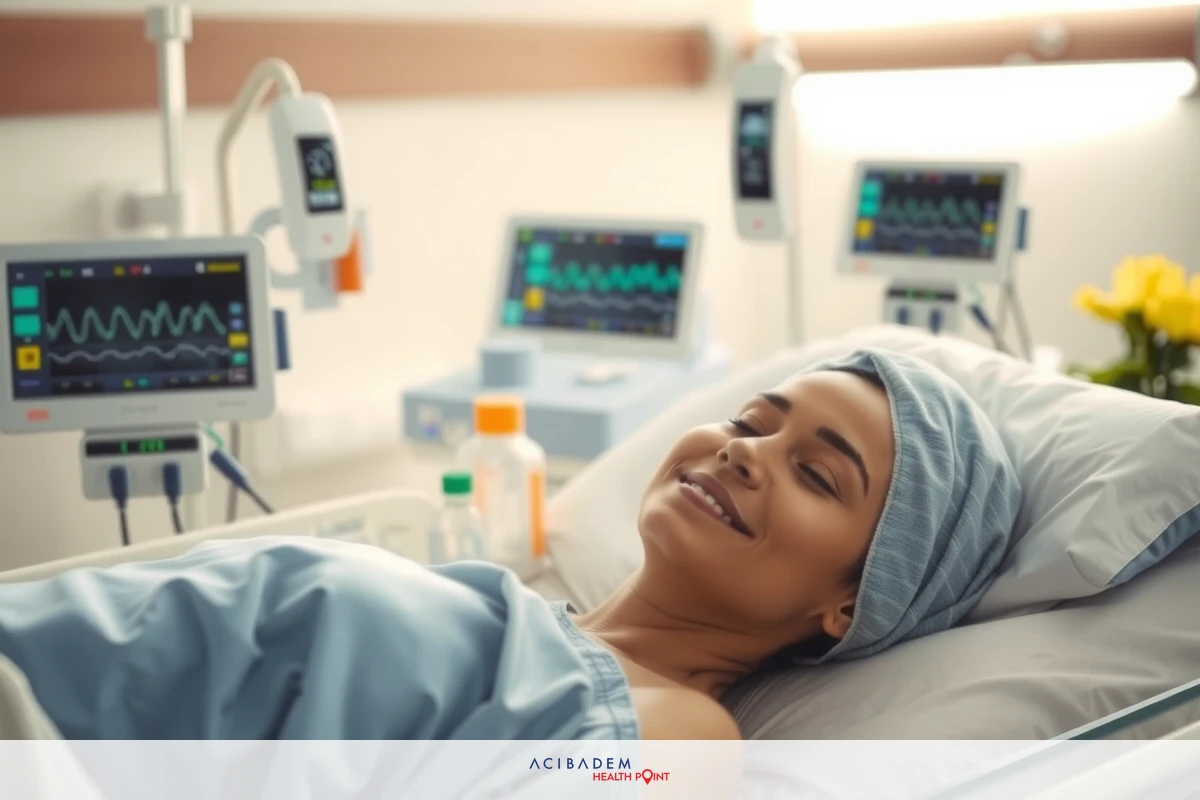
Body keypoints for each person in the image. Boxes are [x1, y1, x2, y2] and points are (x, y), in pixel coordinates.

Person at [0, 348, 1021, 743]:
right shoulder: (515, 604)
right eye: (753, 420)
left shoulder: (684, 741)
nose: (744, 452)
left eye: (818, 474)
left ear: (851, 602)